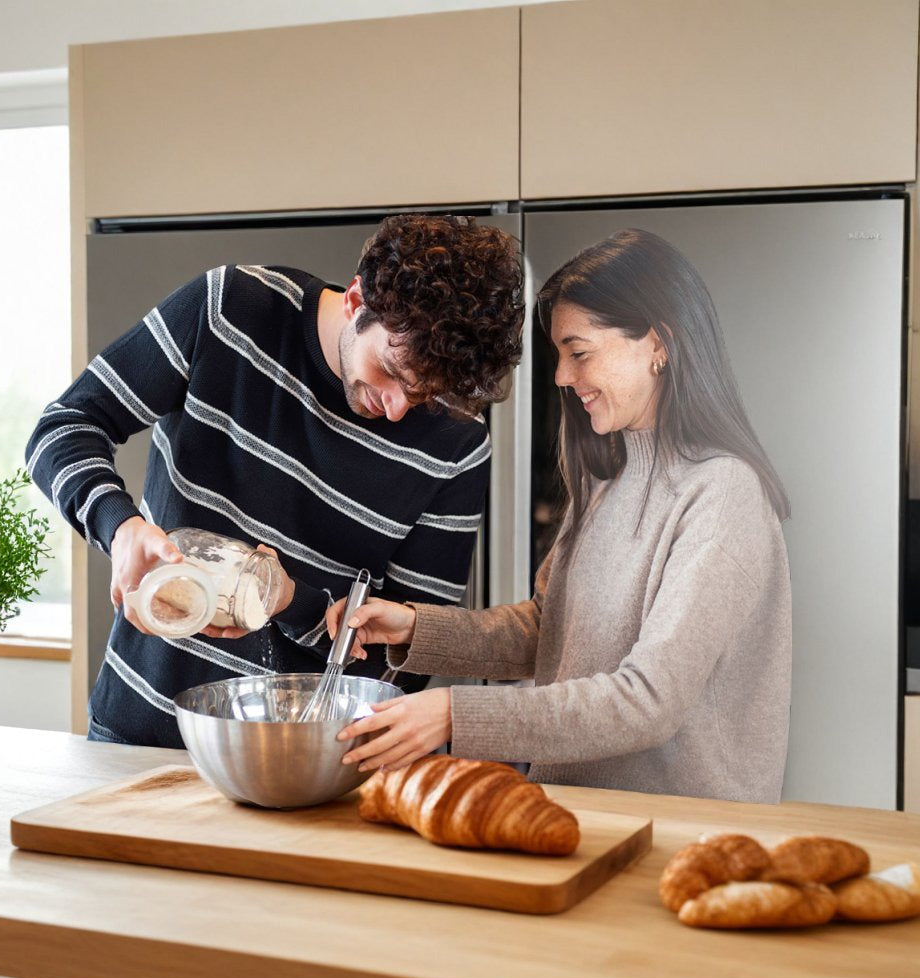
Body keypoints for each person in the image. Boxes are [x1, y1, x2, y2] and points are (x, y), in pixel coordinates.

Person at [26, 214, 524, 747]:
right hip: (138, 734)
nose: (400, 408)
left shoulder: (458, 445)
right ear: (358, 300)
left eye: (424, 393)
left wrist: (289, 602)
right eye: (392, 372)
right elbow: (64, 427)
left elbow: (405, 660)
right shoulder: (229, 310)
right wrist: (118, 526)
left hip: (305, 767)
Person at [331, 228, 793, 804]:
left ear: (659, 344)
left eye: (579, 352)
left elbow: (648, 701)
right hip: (587, 817)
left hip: (682, 834)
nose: (561, 378)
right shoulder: (608, 479)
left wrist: (454, 712)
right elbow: (550, 632)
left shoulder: (723, 494)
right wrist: (415, 627)